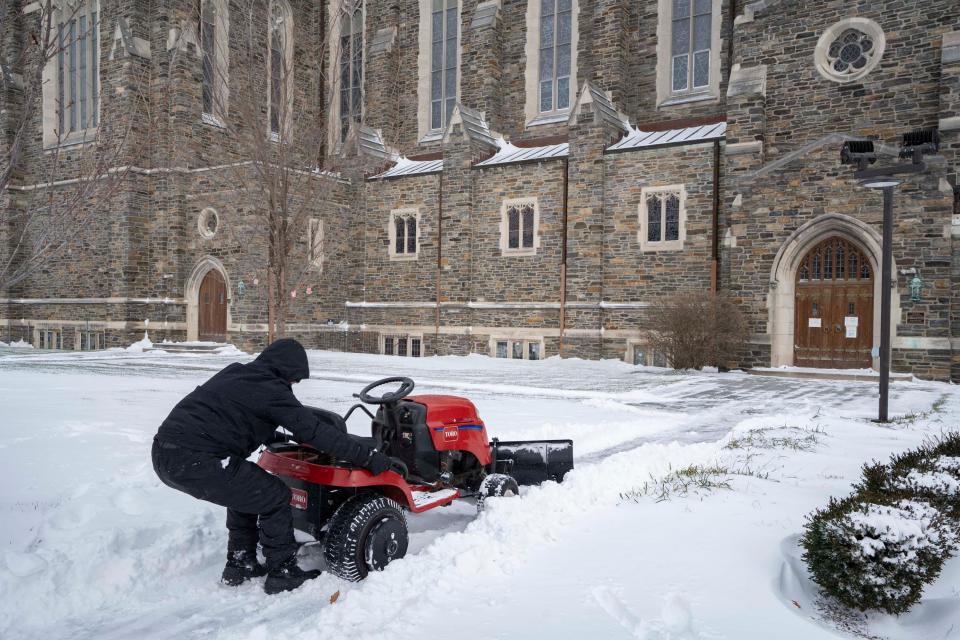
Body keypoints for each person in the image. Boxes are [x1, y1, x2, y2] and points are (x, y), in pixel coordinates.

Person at [151, 338, 392, 594]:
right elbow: (315, 432)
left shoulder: (238, 373)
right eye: (294, 379)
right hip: (195, 459)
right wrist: (366, 458)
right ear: (286, 370)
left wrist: (270, 436)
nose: (293, 385)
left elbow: (230, 411)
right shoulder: (272, 390)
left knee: (246, 489)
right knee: (274, 496)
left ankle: (241, 562)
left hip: (165, 453)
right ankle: (283, 571)